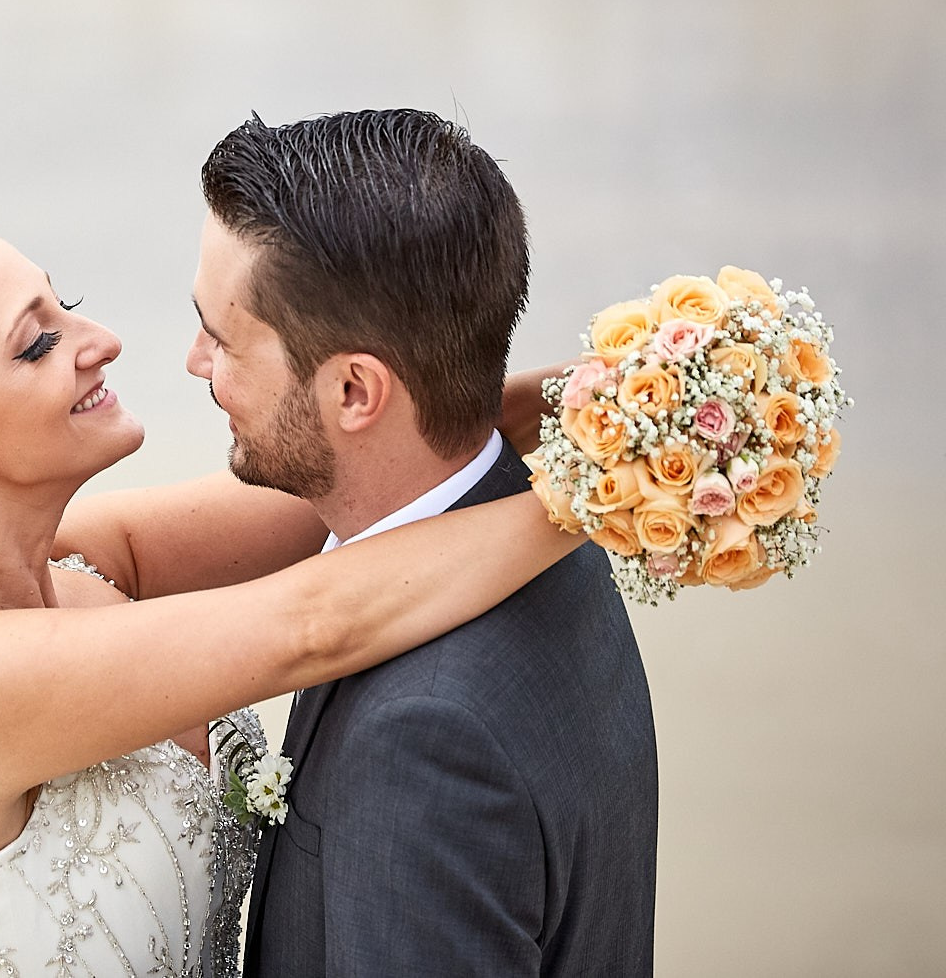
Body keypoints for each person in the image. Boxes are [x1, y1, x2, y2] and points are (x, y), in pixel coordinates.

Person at [0, 204, 577, 978]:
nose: (100, 338)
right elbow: (319, 623)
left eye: (63, 302)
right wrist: (616, 495)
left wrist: (628, 398)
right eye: (37, 343)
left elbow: (354, 457)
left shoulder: (81, 565)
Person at [61, 109, 659, 976]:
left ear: (353, 390)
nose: (196, 362)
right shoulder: (550, 540)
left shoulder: (425, 741)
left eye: (222, 338)